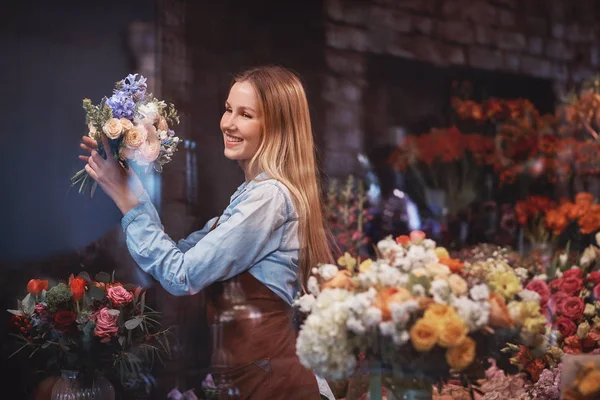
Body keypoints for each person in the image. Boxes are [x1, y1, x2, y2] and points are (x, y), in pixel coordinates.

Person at [79, 66, 336, 400]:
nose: (228, 123)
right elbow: (182, 256)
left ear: (277, 127)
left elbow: (182, 274)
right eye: (228, 109)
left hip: (280, 387)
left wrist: (130, 201)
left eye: (245, 114)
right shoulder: (253, 195)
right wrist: (130, 188)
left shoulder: (268, 197)